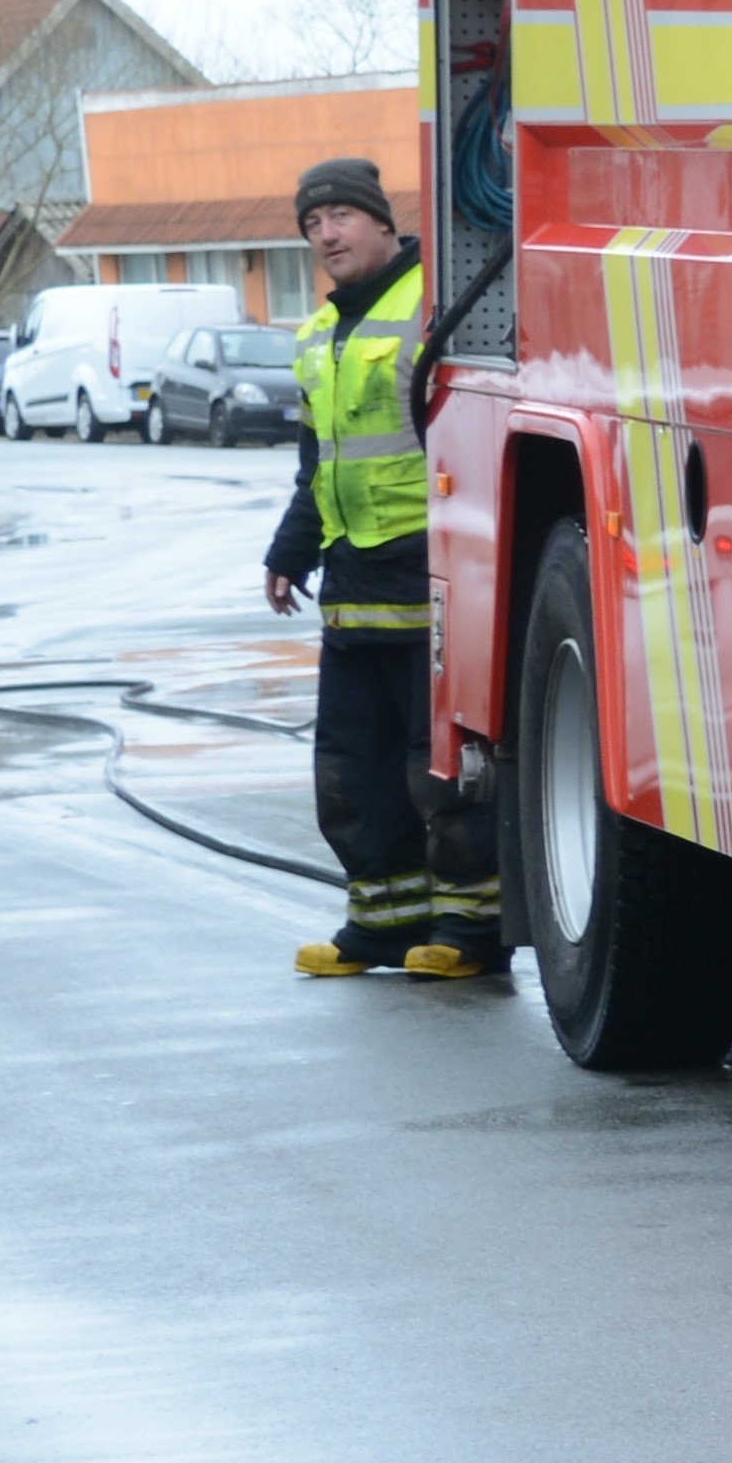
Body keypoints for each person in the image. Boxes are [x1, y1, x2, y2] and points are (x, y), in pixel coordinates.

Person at [263, 158, 500, 979]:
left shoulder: (433, 307)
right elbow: (319, 463)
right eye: (312, 224)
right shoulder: (316, 338)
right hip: (352, 587)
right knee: (351, 770)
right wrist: (290, 552)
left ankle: (470, 930)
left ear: (381, 221)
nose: (326, 234)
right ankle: (379, 924)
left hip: (429, 579)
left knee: (439, 768)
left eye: (340, 216)